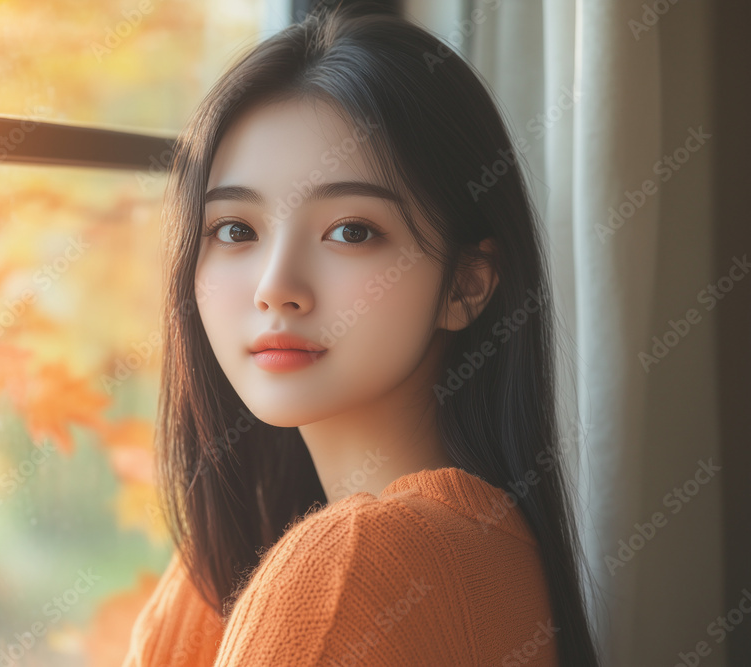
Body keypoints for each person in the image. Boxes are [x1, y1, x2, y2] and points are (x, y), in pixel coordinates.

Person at [123, 3, 602, 665]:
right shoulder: (492, 545)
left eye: (352, 230)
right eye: (235, 229)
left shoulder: (354, 565)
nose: (276, 284)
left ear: (467, 283)